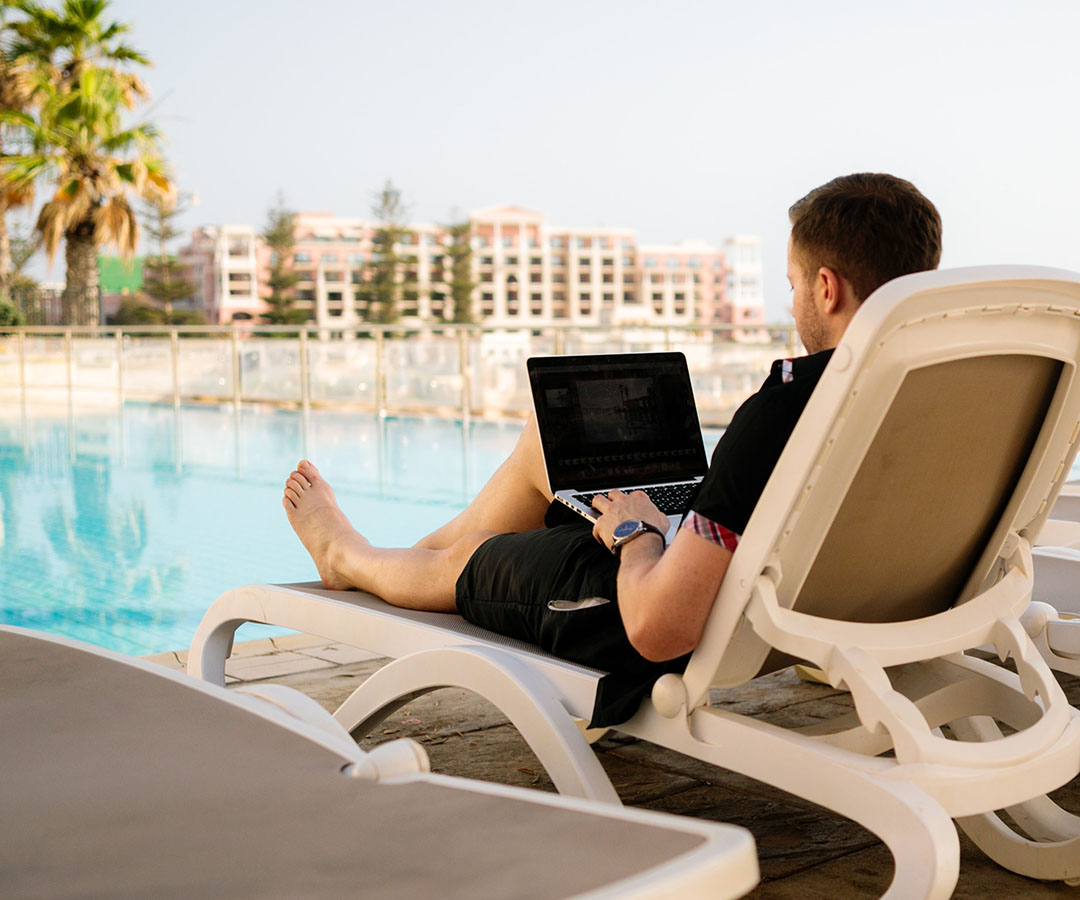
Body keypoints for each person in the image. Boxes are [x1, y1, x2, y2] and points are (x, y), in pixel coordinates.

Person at [282, 173, 943, 726]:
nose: (793, 300)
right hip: (811, 596)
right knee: (546, 448)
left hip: (646, 614)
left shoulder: (785, 409)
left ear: (827, 288)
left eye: (796, 284)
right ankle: (415, 561)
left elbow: (661, 628)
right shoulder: (941, 396)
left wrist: (637, 534)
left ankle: (353, 558)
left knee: (476, 558)